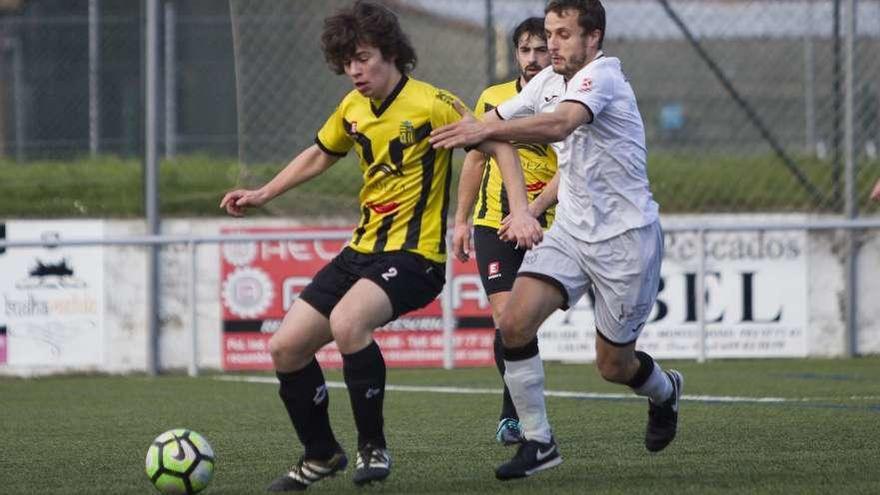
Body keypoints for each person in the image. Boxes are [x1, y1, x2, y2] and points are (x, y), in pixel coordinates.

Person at [220, 1, 543, 491]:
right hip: (361, 251)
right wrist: (264, 192)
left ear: (391, 53)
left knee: (349, 323)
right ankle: (321, 455)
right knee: (285, 347)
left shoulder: (434, 103)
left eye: (363, 57)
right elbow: (320, 153)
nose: (354, 70)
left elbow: (497, 144)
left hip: (416, 257)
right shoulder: (352, 108)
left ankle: (373, 447)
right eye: (347, 61)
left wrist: (519, 211)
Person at [431, 0, 683, 481]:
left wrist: (486, 127)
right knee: (514, 324)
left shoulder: (602, 77)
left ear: (593, 38)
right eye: (549, 33)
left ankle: (665, 390)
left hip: (625, 242)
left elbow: (558, 124)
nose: (552, 44)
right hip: (570, 232)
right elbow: (490, 129)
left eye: (563, 34)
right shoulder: (547, 81)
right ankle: (539, 441)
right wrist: (465, 130)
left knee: (613, 365)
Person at [452, 16, 557, 447]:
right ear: (515, 53)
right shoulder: (494, 98)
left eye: (541, 50)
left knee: (526, 324)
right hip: (495, 223)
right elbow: (476, 160)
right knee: (506, 318)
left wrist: (529, 211)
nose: (533, 59)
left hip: (551, 224)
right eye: (525, 50)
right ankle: (514, 417)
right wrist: (460, 220)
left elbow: (570, 171)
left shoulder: (567, 101)